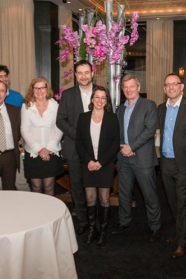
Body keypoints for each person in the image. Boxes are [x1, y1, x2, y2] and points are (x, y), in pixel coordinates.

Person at [157, 73, 186, 258]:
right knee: (172, 201)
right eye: (167, 85)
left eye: (174, 84)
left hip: (183, 163)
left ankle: (183, 242)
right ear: (164, 88)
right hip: (165, 163)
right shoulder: (161, 108)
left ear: (181, 86)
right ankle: (179, 231)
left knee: (184, 203)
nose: (171, 87)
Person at [112, 74, 161, 241]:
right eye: (125, 87)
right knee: (124, 193)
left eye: (132, 86)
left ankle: (155, 226)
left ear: (138, 88)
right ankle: (124, 222)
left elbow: (149, 130)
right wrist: (123, 147)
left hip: (143, 159)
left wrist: (131, 147)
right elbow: (116, 132)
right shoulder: (120, 109)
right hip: (123, 158)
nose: (128, 90)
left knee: (149, 194)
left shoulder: (148, 105)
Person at [76, 86, 120, 247]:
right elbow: (79, 143)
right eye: (97, 97)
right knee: (90, 198)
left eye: (103, 97)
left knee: (104, 198)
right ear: (92, 99)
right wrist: (89, 161)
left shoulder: (112, 118)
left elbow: (115, 143)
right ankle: (92, 229)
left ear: (106, 101)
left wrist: (100, 162)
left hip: (105, 164)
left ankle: (103, 232)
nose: (100, 100)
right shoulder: (83, 117)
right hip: (88, 164)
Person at [57, 60, 96, 236]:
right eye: (79, 73)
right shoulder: (67, 95)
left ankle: (95, 222)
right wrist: (78, 134)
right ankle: (82, 222)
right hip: (74, 149)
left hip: (96, 150)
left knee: (94, 187)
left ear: (92, 73)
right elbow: (60, 120)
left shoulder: (101, 93)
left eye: (86, 72)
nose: (83, 76)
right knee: (77, 188)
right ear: (75, 75)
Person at [21, 77, 64, 196]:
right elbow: (25, 130)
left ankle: (50, 214)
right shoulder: (26, 107)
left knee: (49, 187)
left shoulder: (55, 106)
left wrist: (48, 148)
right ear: (32, 90)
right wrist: (39, 149)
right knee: (36, 187)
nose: (39, 91)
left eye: (42, 88)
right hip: (33, 153)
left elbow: (59, 128)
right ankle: (38, 214)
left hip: (51, 151)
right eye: (36, 88)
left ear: (47, 89)